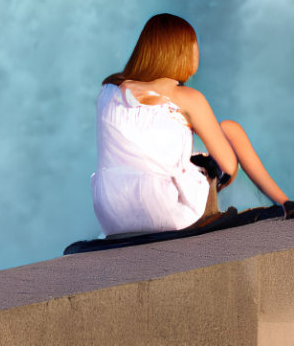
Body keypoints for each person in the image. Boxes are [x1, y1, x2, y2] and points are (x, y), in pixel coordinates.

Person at [91, 13, 288, 237]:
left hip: (111, 211)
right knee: (231, 129)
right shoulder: (187, 97)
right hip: (165, 210)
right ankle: (284, 203)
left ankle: (283, 202)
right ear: (183, 52)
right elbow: (228, 166)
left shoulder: (108, 90)